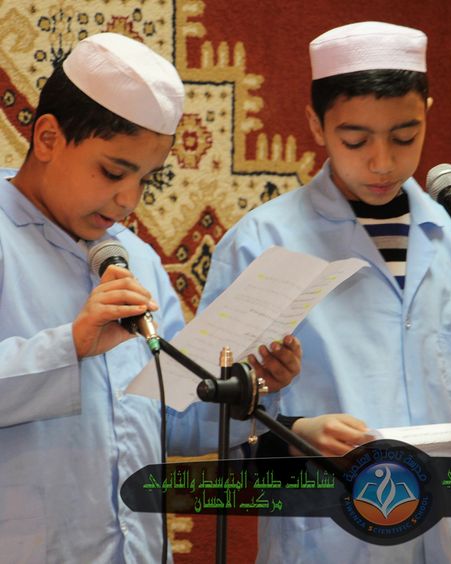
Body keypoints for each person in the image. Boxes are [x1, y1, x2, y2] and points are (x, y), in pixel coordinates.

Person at [200, 21, 451, 564]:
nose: (382, 162)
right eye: (356, 140)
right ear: (315, 125)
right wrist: (296, 434)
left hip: (442, 539)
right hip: (327, 541)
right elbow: (208, 418)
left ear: (427, 113)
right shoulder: (262, 245)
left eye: (404, 136)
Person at [0, 32, 302, 562]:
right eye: (114, 172)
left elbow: (172, 420)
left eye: (146, 179)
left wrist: (247, 389)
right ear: (47, 138)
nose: (129, 199)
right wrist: (70, 345)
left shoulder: (135, 259)